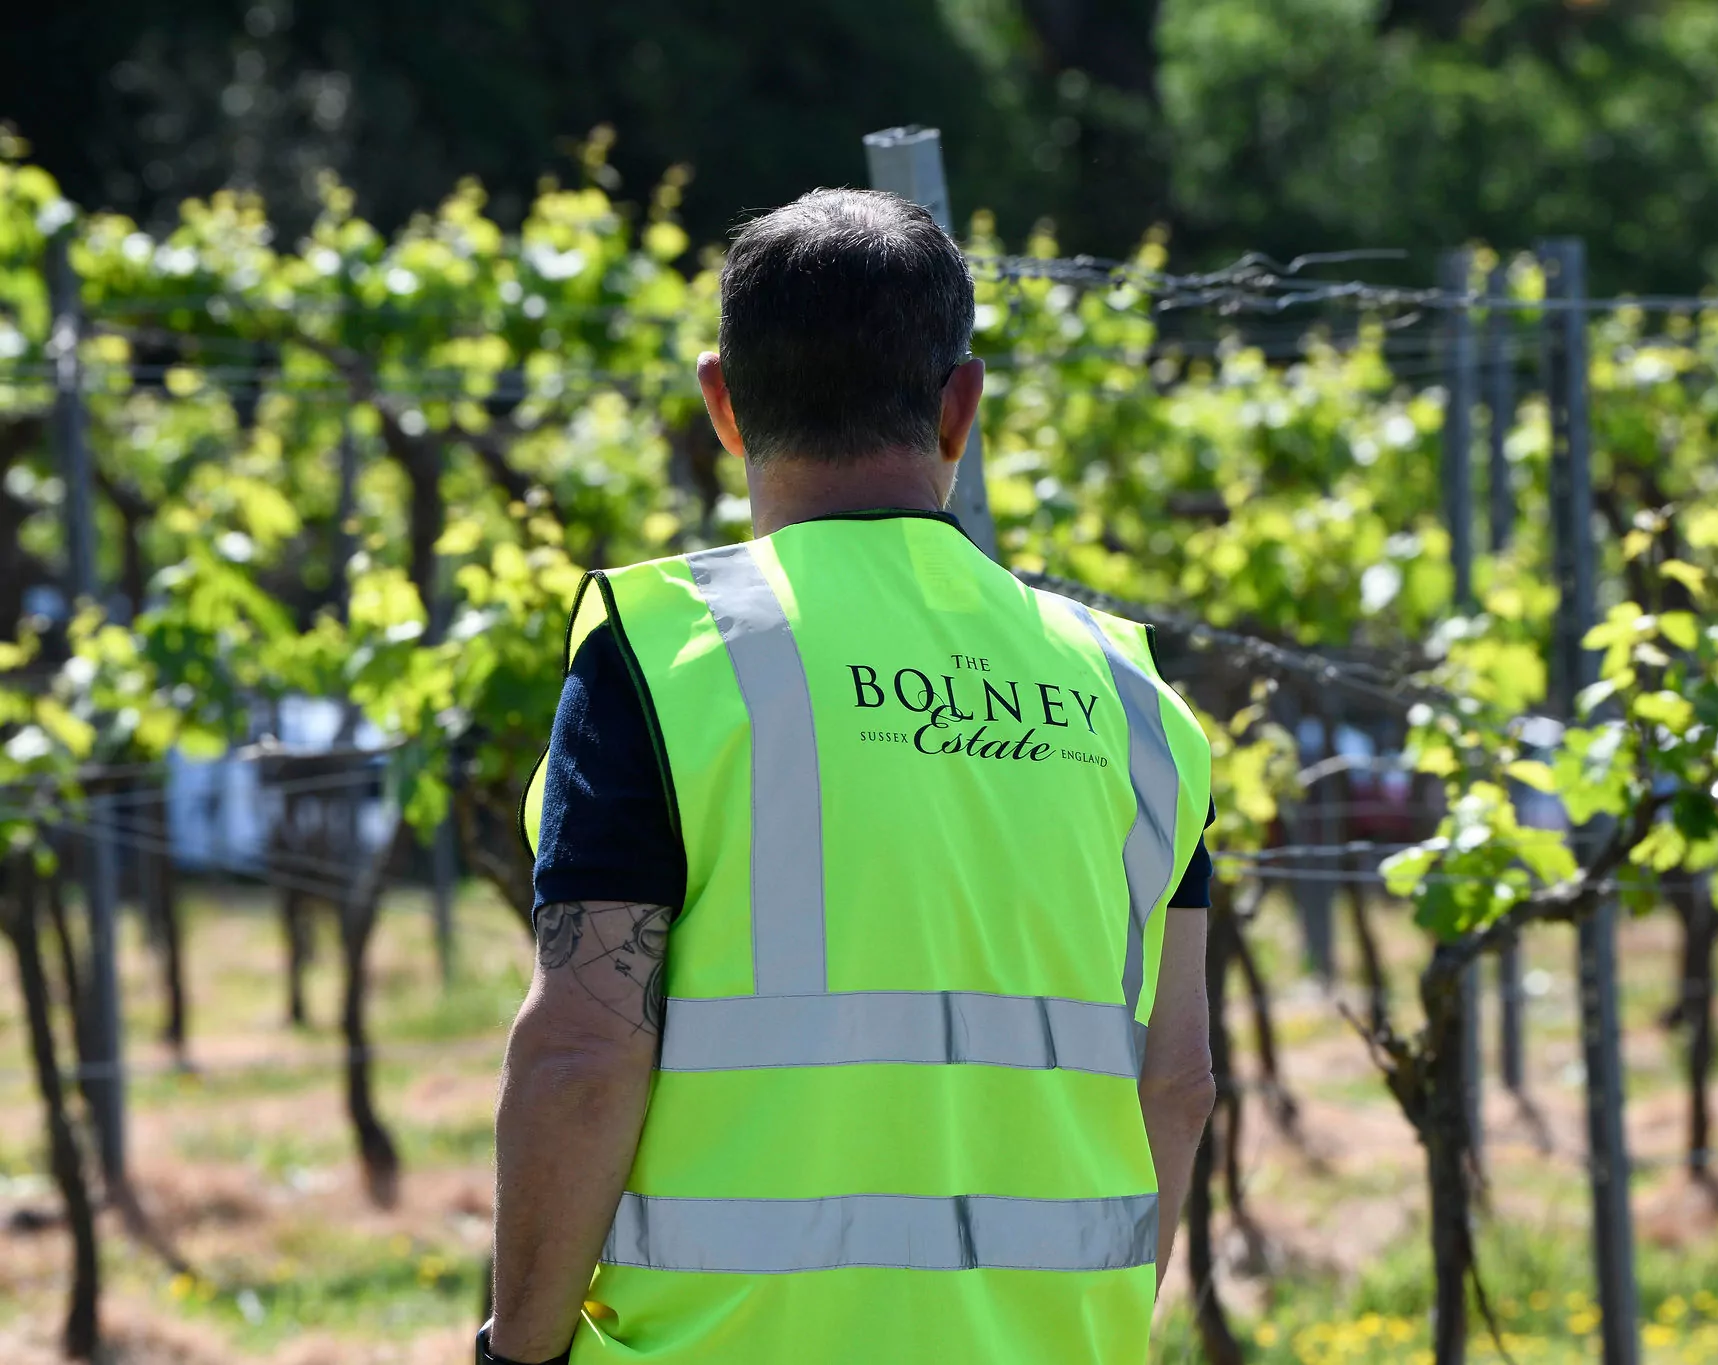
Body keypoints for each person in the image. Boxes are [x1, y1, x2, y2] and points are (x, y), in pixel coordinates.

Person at [480, 188, 1217, 1365]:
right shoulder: (1133, 697)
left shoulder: (668, 657)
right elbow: (1174, 1083)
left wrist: (516, 1351)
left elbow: (583, 1050)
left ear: (722, 402)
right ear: (959, 407)